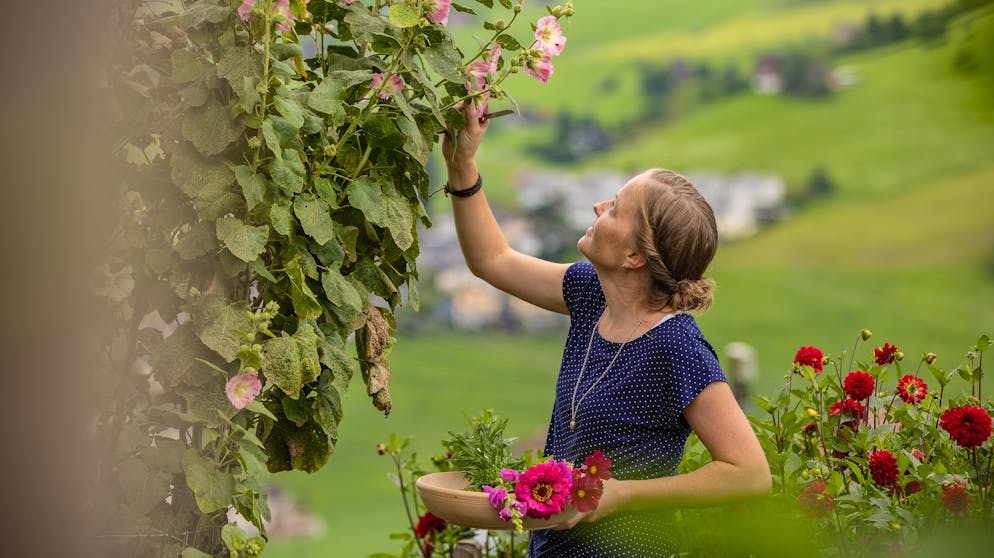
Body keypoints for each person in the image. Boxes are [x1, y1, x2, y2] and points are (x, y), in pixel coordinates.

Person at [441, 105, 771, 557]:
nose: (599, 207)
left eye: (615, 208)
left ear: (635, 256)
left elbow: (750, 473)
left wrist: (621, 495)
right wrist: (462, 164)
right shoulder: (590, 294)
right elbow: (492, 260)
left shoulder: (677, 346)